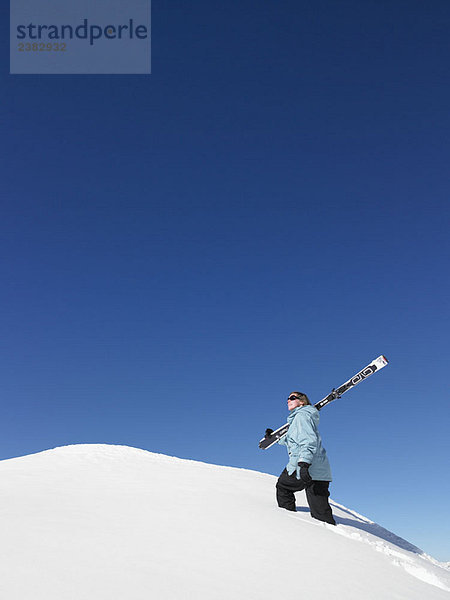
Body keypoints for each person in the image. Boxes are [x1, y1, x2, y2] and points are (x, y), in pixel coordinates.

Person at [268, 391, 336, 525]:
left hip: (303, 466)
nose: (288, 400)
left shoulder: (301, 417)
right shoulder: (304, 417)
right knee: (321, 513)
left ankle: (290, 525)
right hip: (320, 471)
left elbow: (308, 441)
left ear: (302, 401)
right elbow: (293, 441)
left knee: (283, 487)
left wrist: (304, 464)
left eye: (293, 398)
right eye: (287, 398)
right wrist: (275, 438)